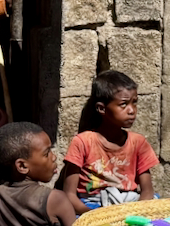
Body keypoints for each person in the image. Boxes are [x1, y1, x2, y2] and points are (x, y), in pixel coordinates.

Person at [57, 70, 159, 214]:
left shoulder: (138, 143)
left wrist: (135, 213)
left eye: (134, 102)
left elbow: (147, 191)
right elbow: (69, 195)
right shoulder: (83, 142)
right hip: (92, 205)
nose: (132, 110)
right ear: (101, 108)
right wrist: (96, 216)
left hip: (129, 204)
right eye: (123, 104)